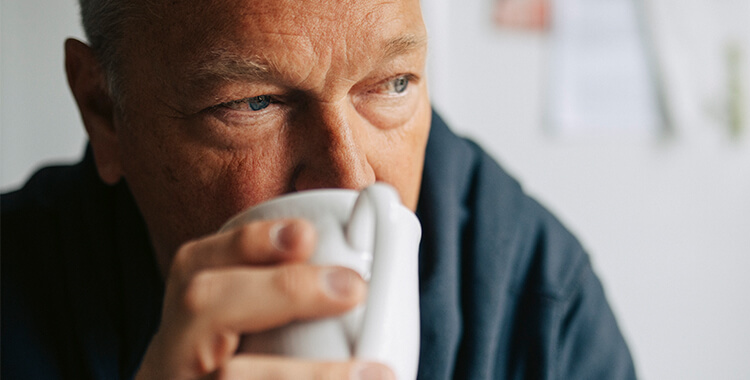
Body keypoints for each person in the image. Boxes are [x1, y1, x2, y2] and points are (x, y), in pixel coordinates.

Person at [1, 0, 636, 378]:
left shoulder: (542, 305)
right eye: (253, 102)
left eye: (392, 85)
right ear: (104, 111)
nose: (352, 179)